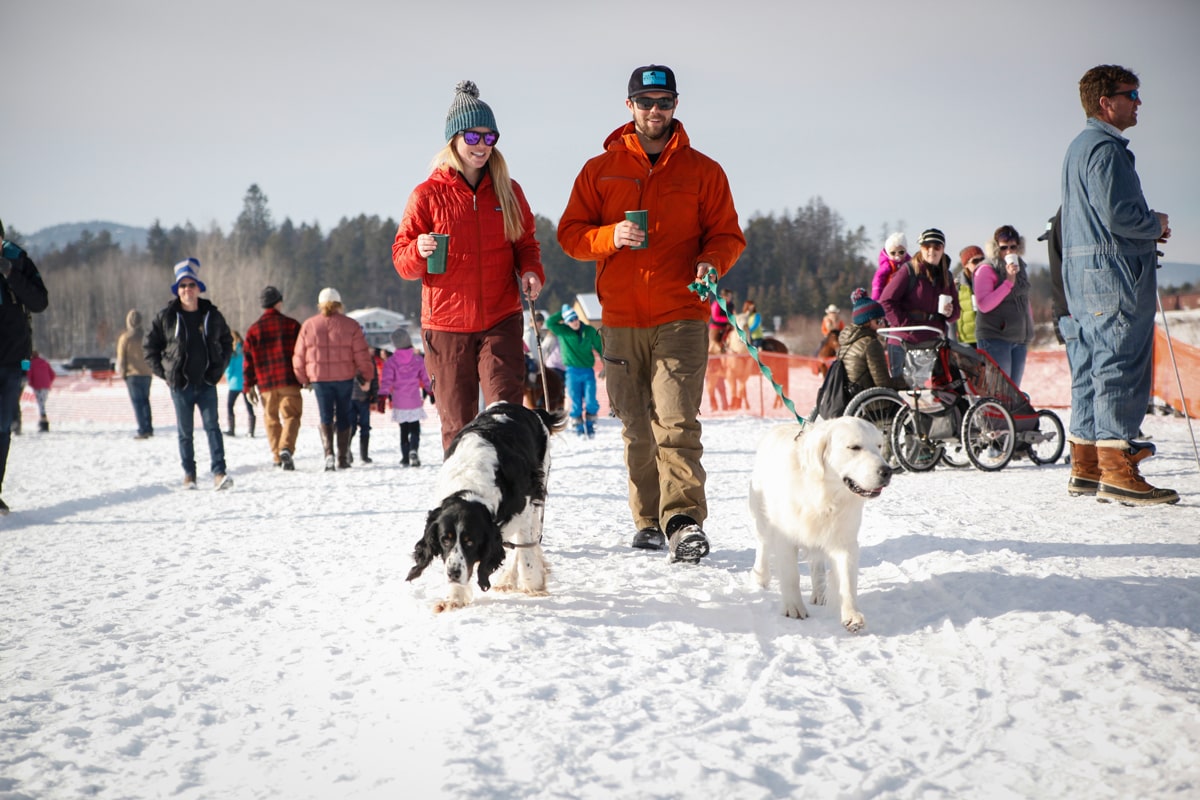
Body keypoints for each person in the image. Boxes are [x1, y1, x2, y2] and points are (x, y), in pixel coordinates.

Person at [557, 64, 746, 562]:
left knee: (677, 422)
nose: (655, 111)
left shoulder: (704, 171)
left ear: (676, 105)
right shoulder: (599, 170)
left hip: (681, 312)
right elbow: (570, 235)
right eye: (645, 102)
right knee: (636, 425)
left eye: (663, 102)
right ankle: (647, 519)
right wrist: (609, 236)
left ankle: (683, 521)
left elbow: (727, 235)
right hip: (618, 320)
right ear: (630, 106)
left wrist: (711, 261)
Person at [391, 80, 545, 455]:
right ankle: (461, 502)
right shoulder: (426, 195)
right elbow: (402, 261)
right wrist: (418, 249)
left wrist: (531, 273)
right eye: (472, 137)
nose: (481, 146)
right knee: (458, 423)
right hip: (446, 326)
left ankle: (508, 497)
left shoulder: (509, 190)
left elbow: (526, 244)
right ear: (453, 140)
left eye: (489, 137)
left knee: (505, 416)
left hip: (501, 316)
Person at [1059, 64, 1177, 505]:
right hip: (1114, 276)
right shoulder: (1106, 150)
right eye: (1131, 94)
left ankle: (1086, 464)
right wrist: (1154, 224)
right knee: (1119, 365)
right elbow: (1119, 216)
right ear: (1106, 103)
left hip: (1083, 276)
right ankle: (1116, 467)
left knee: (1092, 367)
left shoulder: (1077, 148)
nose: (1138, 101)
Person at [144, 258, 234, 490]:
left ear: (198, 288)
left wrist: (218, 368)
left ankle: (219, 473)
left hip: (206, 383)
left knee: (212, 428)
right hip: (181, 386)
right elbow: (150, 348)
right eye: (182, 286)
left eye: (191, 285)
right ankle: (189, 475)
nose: (187, 290)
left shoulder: (211, 314)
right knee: (185, 433)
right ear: (178, 290)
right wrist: (166, 373)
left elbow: (226, 341)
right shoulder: (167, 317)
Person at [293, 287, 374, 472]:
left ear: (320, 305)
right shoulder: (351, 325)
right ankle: (342, 457)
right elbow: (361, 354)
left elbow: (299, 355)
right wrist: (366, 376)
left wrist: (303, 378)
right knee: (344, 415)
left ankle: (328, 454)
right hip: (344, 377)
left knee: (325, 415)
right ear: (339, 304)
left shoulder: (309, 325)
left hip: (319, 378)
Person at [0, 228, 49, 513]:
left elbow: (40, 303)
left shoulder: (18, 260)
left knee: (3, 428)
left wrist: (11, 274)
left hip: (13, 360)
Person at [879, 228, 961, 374]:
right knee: (903, 392)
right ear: (920, 248)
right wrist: (906, 325)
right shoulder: (909, 270)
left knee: (933, 393)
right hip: (904, 342)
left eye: (937, 246)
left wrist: (950, 312)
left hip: (934, 341)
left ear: (943, 249)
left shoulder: (946, 275)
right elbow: (886, 301)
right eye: (926, 246)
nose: (931, 251)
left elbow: (956, 313)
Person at [243, 285, 303, 470]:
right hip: (289, 380)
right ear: (279, 302)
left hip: (266, 384)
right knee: (291, 416)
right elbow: (301, 354)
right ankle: (286, 448)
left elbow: (248, 361)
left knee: (271, 419)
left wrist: (248, 386)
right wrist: (305, 376)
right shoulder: (292, 325)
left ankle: (277, 457)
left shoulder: (253, 330)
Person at [973, 225, 1034, 387]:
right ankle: (989, 413)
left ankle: (1010, 414)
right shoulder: (986, 269)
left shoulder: (1021, 267)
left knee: (1014, 393)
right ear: (995, 248)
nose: (1008, 252)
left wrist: (1029, 328)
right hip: (995, 338)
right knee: (998, 391)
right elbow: (984, 305)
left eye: (1012, 247)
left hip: (1019, 338)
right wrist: (1008, 282)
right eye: (1003, 248)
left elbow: (1024, 300)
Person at [545, 304, 604, 437]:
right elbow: (549, 322)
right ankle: (578, 428)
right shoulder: (563, 331)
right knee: (575, 400)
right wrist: (563, 313)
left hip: (588, 371)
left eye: (575, 318)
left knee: (591, 400)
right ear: (566, 322)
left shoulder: (588, 330)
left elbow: (600, 346)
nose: (574, 322)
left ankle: (590, 425)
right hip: (571, 372)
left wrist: (605, 364)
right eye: (571, 320)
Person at [379, 326, 432, 467]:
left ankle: (405, 457)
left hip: (399, 402)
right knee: (415, 428)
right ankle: (414, 450)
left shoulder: (391, 362)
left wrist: (382, 396)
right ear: (409, 341)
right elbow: (426, 379)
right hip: (414, 400)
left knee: (403, 430)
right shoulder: (417, 360)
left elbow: (386, 381)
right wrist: (431, 391)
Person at [838, 289, 906, 391]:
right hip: (871, 401)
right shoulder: (870, 344)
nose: (883, 324)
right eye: (879, 321)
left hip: (852, 398)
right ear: (867, 322)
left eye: (884, 320)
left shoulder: (847, 342)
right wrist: (906, 381)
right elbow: (883, 383)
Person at [116, 309, 154, 439]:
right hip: (147, 373)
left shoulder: (125, 338)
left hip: (132, 374)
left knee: (137, 403)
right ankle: (149, 427)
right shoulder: (147, 336)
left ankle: (142, 430)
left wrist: (122, 372)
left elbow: (121, 357)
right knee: (146, 401)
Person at [223, 331, 256, 438]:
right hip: (246, 382)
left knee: (230, 406)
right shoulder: (245, 350)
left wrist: (228, 378)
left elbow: (229, 368)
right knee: (249, 406)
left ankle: (231, 429)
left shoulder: (232, 352)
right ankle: (251, 430)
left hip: (234, 384)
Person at [348, 349, 379, 464]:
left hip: (350, 397)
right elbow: (374, 380)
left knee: (351, 426)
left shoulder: (345, 356)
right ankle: (363, 455)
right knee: (364, 427)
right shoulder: (368, 358)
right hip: (363, 398)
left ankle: (347, 451)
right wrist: (375, 399)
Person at [955, 245, 984, 348]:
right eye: (975, 261)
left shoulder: (990, 280)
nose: (980, 264)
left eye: (982, 259)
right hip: (967, 339)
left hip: (988, 336)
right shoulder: (957, 285)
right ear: (965, 264)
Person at [872, 232, 910, 300]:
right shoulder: (887, 266)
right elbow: (878, 280)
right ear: (888, 254)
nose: (897, 255)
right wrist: (877, 297)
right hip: (888, 296)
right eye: (893, 253)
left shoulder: (909, 265)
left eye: (901, 252)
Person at [27, 351, 55, 432]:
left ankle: (44, 423)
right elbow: (52, 374)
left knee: (41, 404)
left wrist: (30, 384)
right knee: (42, 403)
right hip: (46, 385)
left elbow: (28, 375)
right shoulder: (45, 362)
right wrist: (48, 382)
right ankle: (43, 421)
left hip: (37, 386)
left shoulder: (30, 363)